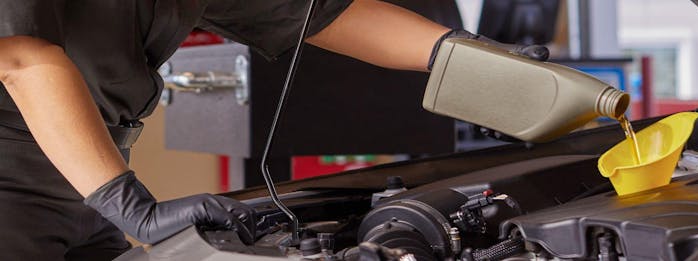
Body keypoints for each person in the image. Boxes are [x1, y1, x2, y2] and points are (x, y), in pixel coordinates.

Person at [0, 0, 548, 259]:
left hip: (84, 185)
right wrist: (131, 207)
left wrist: (464, 54)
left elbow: (329, 15)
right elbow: (21, 59)